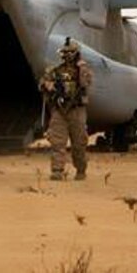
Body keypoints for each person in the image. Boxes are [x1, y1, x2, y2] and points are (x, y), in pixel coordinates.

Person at [39, 37, 93, 181]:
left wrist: (81, 67)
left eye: (70, 52)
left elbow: (85, 82)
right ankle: (57, 170)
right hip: (60, 110)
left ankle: (81, 170)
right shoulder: (56, 70)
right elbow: (43, 83)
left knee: (79, 145)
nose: (66, 55)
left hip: (76, 110)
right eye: (65, 52)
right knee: (57, 142)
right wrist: (48, 85)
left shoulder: (83, 69)